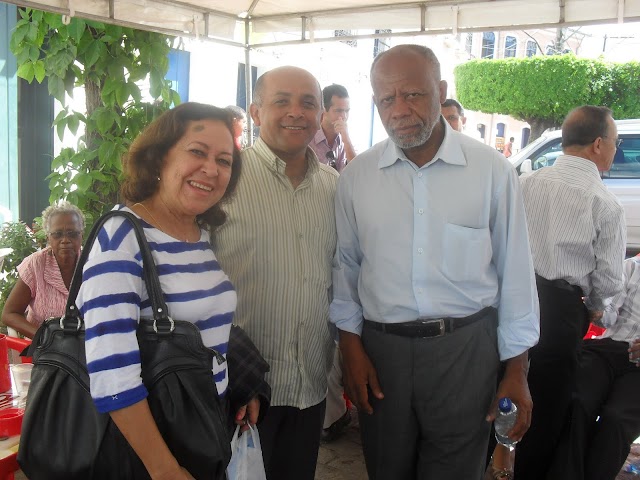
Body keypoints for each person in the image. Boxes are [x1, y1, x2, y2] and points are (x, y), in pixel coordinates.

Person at [330, 44, 539, 479]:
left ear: (440, 90)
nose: (400, 110)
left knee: (456, 470)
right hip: (380, 353)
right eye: (387, 99)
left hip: (465, 351)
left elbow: (516, 273)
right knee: (386, 468)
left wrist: (516, 370)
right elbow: (345, 267)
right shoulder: (356, 179)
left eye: (413, 95)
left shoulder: (491, 172)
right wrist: (350, 347)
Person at [75, 102, 265, 480]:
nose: (211, 169)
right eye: (197, 152)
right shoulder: (123, 236)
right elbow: (111, 370)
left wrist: (241, 387)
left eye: (224, 160)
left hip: (206, 422)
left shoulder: (199, 234)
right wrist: (163, 468)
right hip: (154, 446)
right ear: (160, 157)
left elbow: (208, 330)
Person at [213, 66, 338, 480]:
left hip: (309, 384)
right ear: (255, 111)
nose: (295, 113)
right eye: (281, 101)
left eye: (308, 103)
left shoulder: (334, 188)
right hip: (241, 387)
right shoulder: (224, 181)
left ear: (321, 114)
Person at [515, 105, 626, 480]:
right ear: (598, 145)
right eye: (614, 142)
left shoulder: (525, 182)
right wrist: (594, 308)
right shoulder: (605, 203)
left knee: (499, 393)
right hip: (559, 314)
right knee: (544, 413)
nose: (614, 149)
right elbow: (609, 281)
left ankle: (485, 463)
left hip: (510, 299)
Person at [547, 255, 640, 480]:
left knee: (616, 419)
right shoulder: (631, 267)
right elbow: (609, 315)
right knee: (577, 403)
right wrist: (596, 308)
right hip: (609, 349)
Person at [1, 201, 84, 339]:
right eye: (57, 234)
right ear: (48, 237)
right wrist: (45, 337)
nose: (65, 240)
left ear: (81, 235)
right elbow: (9, 314)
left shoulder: (92, 264)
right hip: (44, 350)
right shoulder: (35, 264)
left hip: (85, 348)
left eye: (72, 234)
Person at [309, 83, 356, 172]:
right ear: (323, 110)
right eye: (338, 111)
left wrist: (346, 140)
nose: (344, 116)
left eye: (347, 111)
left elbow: (357, 171)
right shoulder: (309, 138)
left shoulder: (345, 141)